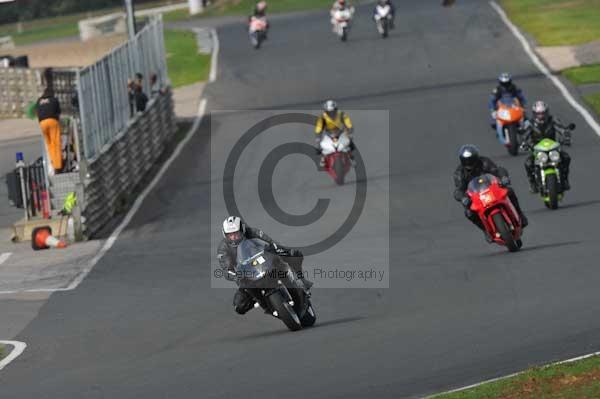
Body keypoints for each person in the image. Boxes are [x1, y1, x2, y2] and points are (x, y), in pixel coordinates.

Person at [217, 216, 313, 315]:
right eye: (230, 235)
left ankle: (301, 281)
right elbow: (226, 268)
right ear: (225, 235)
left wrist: (280, 250)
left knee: (294, 255)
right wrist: (235, 275)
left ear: (242, 230)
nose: (233, 237)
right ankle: (260, 301)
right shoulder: (223, 248)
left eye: (236, 233)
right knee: (239, 306)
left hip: (265, 262)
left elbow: (271, 243)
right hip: (247, 275)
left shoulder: (252, 232)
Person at [453, 145, 528, 241]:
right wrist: (463, 198)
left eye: (471, 159)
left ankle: (520, 215)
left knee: (509, 191)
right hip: (476, 197)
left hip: (492, 189)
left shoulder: (484, 162)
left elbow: (497, 170)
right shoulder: (459, 173)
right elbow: (459, 190)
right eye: (466, 160)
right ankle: (485, 230)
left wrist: (503, 177)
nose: (469, 163)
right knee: (469, 213)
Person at [521, 101, 573, 193]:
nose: (541, 116)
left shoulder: (553, 120)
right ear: (535, 114)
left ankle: (565, 180)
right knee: (528, 163)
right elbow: (524, 135)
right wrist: (524, 143)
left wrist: (566, 135)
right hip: (536, 149)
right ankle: (532, 184)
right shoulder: (529, 123)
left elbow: (561, 128)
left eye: (543, 113)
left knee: (566, 158)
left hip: (553, 148)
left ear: (547, 112)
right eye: (539, 114)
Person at [314, 100, 355, 168]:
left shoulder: (341, 114)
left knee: (349, 143)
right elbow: (319, 126)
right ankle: (323, 159)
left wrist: (349, 128)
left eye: (333, 111)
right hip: (328, 133)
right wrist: (318, 135)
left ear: (336, 109)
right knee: (321, 145)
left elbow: (347, 121)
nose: (331, 113)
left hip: (340, 131)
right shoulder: (323, 117)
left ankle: (351, 158)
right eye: (329, 112)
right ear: (326, 111)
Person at [36, 87, 63, 175]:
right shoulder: (54, 99)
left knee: (49, 145)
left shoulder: (39, 101)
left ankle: (51, 164)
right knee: (56, 143)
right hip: (52, 121)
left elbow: (37, 113)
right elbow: (58, 111)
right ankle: (58, 167)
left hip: (42, 123)